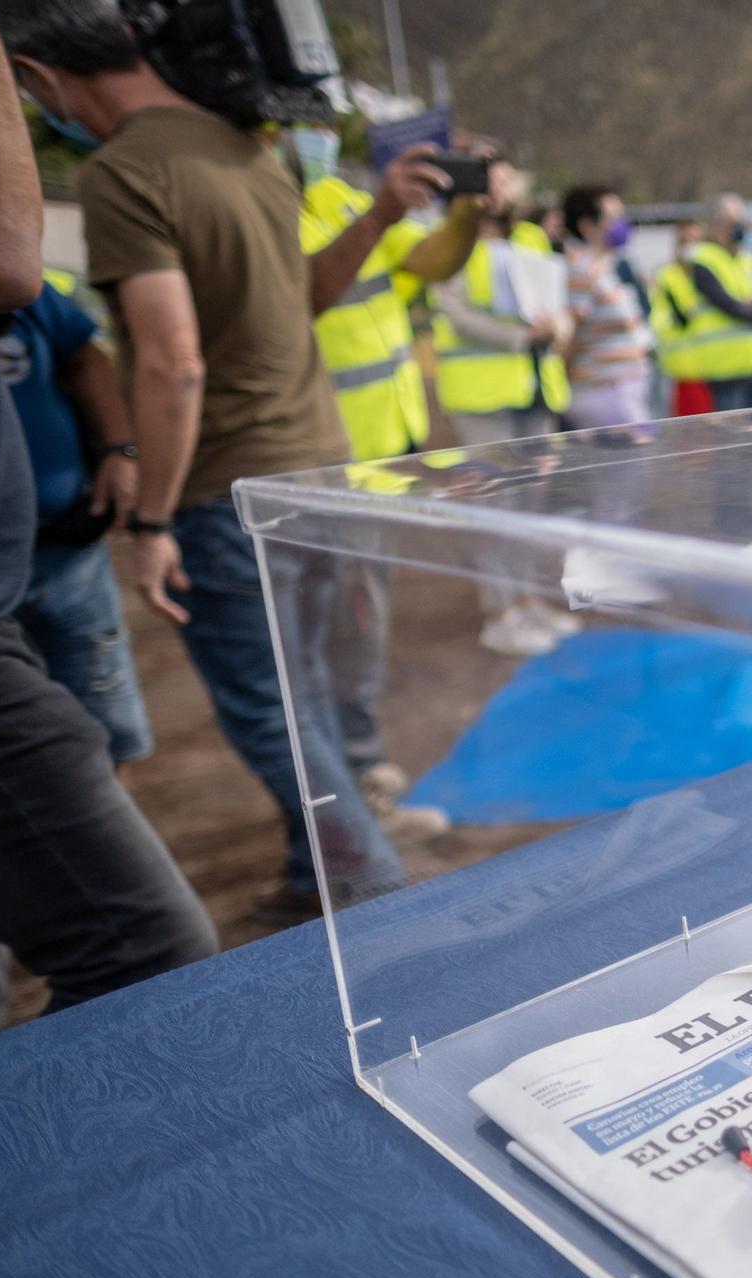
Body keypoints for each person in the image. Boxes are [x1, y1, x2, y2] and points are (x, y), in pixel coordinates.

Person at [0, 0, 410, 923]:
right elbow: (296, 298)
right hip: (316, 465)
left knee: (275, 714)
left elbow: (175, 362)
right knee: (300, 686)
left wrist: (151, 519)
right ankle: (323, 872)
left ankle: (373, 892)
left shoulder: (125, 172)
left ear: (37, 78)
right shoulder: (249, 153)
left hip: (227, 486)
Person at [0, 0, 216, 1019]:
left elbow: (82, 346)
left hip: (57, 540)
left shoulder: (48, 294)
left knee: (89, 738)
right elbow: (8, 256)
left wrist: (119, 454)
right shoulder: (112, 181)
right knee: (137, 937)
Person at [292, 128, 484, 830]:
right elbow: (305, 296)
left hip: (375, 455)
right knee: (318, 630)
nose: (305, 132)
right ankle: (342, 789)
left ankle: (356, 765)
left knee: (358, 619)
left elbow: (431, 260)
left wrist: (466, 208)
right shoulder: (271, 209)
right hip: (312, 457)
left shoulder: (340, 196)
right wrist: (379, 215)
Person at [0, 281, 152, 765]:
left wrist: (120, 450)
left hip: (64, 547)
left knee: (104, 721)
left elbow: (86, 357)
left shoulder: (18, 287)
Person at [430, 159, 577, 658]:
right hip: (483, 393)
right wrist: (520, 336)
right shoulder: (448, 242)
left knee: (529, 506)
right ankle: (500, 613)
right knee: (494, 506)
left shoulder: (532, 238)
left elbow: (557, 298)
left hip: (536, 388)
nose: (502, 190)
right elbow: (452, 310)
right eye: (493, 181)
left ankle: (528, 600)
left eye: (508, 179)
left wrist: (560, 327)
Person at [560, 182, 654, 429]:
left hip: (625, 389)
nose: (621, 224)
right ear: (587, 226)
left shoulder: (608, 268)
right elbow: (567, 337)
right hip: (604, 393)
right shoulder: (581, 272)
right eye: (613, 217)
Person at [685, 193, 752, 411]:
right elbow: (727, 304)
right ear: (716, 225)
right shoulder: (703, 259)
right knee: (732, 437)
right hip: (723, 368)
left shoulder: (746, 258)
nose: (739, 228)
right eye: (733, 222)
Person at [652, 219, 714, 415]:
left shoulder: (710, 272)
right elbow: (658, 318)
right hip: (682, 367)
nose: (691, 246)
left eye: (695, 240)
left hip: (712, 364)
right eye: (685, 240)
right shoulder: (666, 275)